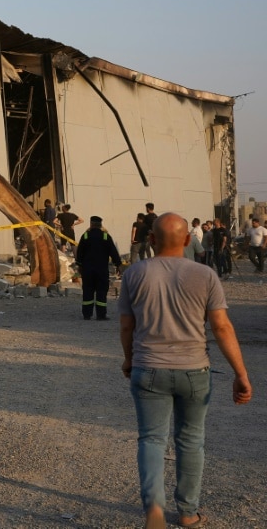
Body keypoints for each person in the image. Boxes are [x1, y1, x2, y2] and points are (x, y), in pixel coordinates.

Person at [118, 213, 252, 529]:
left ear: (150, 240)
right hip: (194, 371)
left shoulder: (135, 273)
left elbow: (126, 325)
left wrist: (128, 359)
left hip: (148, 367)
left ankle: (154, 510)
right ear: (188, 240)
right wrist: (241, 373)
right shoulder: (205, 275)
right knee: (190, 441)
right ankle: (189, 513)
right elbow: (221, 326)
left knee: (151, 438)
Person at [74, 216, 121, 320]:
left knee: (87, 291)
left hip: (88, 269)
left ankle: (87, 314)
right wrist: (118, 264)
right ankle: (101, 314)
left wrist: (79, 265)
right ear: (100, 225)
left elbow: (80, 253)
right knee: (101, 291)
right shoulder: (105, 236)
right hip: (101, 269)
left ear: (91, 224)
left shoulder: (85, 236)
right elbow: (113, 252)